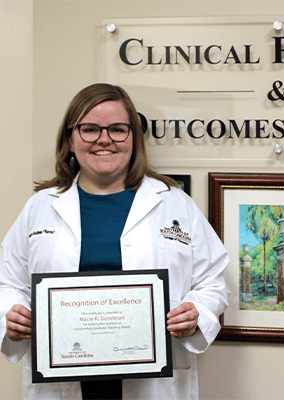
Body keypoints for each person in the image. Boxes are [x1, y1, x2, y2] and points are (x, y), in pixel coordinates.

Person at [0, 83, 230, 399]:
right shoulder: (40, 207)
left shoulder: (175, 205)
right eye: (90, 129)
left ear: (133, 138)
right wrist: (12, 316)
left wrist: (196, 315)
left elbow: (213, 282)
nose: (104, 139)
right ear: (70, 139)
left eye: (118, 130)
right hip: (60, 382)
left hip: (152, 385)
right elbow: (7, 282)